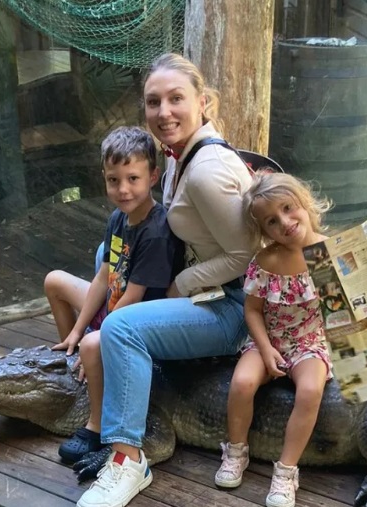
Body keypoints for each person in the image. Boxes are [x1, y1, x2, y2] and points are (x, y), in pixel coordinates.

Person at [75, 53, 255, 507]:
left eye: (176, 99)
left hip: (230, 308)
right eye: (154, 102)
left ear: (203, 102)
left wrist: (182, 284)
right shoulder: (179, 155)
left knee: (120, 327)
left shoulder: (207, 170)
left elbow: (244, 255)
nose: (163, 112)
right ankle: (99, 356)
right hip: (204, 286)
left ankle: (127, 460)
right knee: (106, 255)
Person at [213, 171, 367, 507]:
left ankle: (286, 470)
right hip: (267, 339)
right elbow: (253, 311)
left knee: (312, 390)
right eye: (271, 221)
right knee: (241, 382)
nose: (284, 222)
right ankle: (236, 450)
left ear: (304, 202)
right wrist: (267, 348)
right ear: (263, 230)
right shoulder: (266, 261)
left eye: (288, 208)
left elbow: (355, 303)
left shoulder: (332, 253)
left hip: (310, 341)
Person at [44, 126, 182, 464]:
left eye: (132, 179)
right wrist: (77, 330)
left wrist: (95, 334)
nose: (123, 189)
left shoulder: (156, 232)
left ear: (153, 176)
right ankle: (78, 362)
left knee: (95, 343)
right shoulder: (119, 219)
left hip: (140, 320)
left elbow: (133, 300)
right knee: (55, 281)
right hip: (116, 304)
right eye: (113, 180)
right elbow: (105, 275)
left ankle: (97, 423)